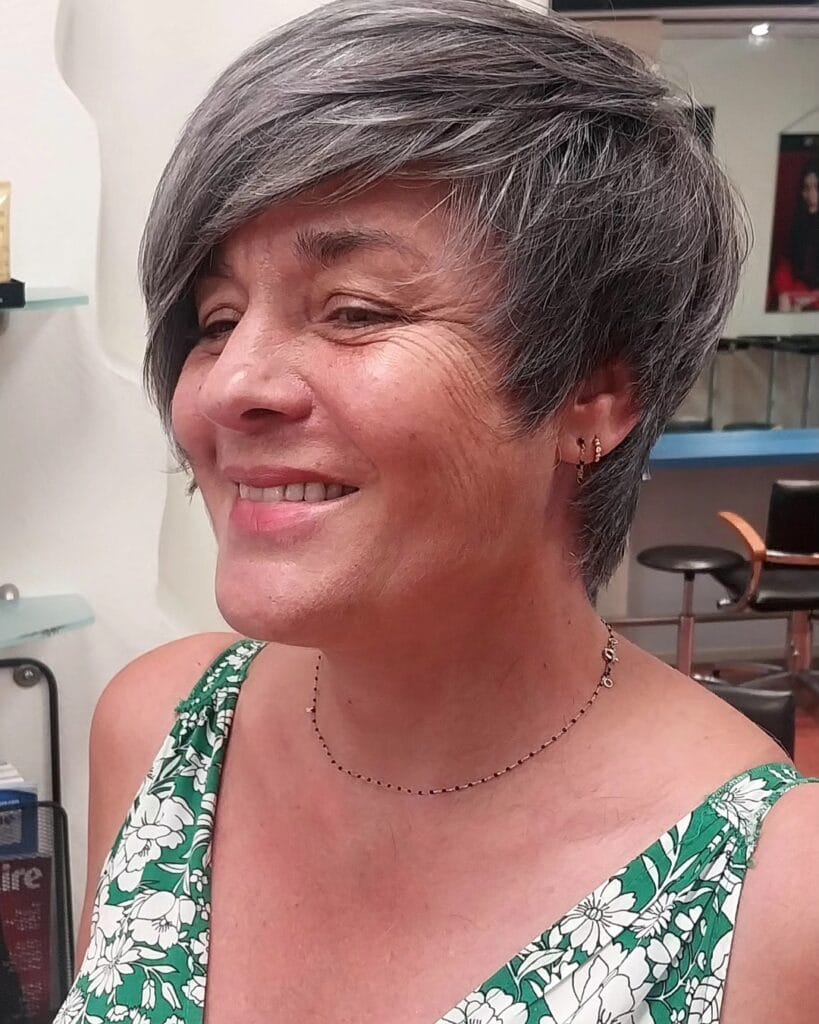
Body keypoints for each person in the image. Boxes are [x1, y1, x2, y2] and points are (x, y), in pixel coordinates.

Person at [57, 3, 819, 1022]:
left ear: (593, 393)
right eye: (216, 320)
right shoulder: (158, 730)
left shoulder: (776, 897)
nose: (231, 384)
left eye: (355, 310)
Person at [772, 162, 819, 312]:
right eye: (806, 188)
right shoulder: (799, 223)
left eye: (816, 187)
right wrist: (784, 293)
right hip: (801, 287)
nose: (811, 195)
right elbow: (788, 263)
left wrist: (812, 297)